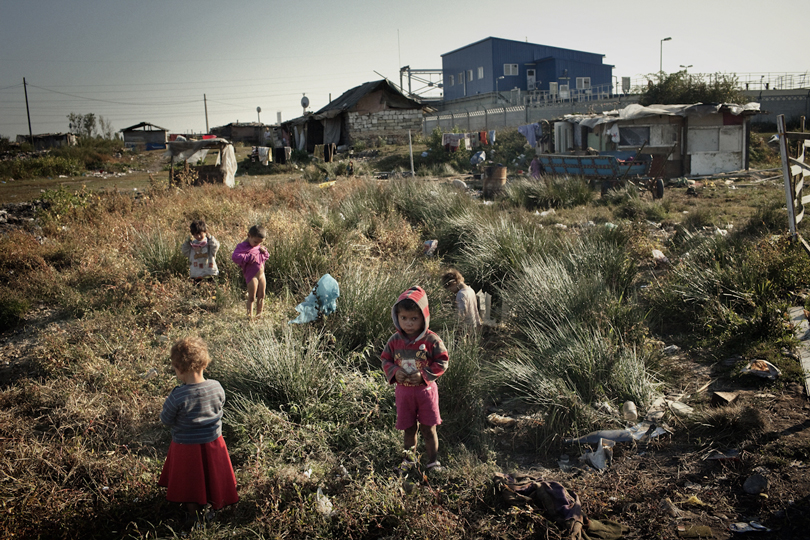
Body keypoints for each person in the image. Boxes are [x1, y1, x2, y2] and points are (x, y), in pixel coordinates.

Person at [159, 337, 238, 526]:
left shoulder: (178, 395)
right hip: (213, 443)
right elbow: (220, 405)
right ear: (205, 363)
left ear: (179, 369)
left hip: (186, 448)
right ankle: (211, 508)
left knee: (190, 482)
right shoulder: (216, 387)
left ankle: (193, 515)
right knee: (212, 476)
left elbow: (166, 419)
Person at [381, 286, 449, 473]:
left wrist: (424, 375)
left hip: (425, 393)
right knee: (409, 429)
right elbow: (386, 359)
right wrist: (394, 372)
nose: (408, 323)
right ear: (397, 317)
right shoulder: (394, 340)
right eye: (403, 318)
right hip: (404, 393)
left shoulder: (431, 340)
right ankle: (409, 461)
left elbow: (442, 361)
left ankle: (433, 462)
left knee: (428, 428)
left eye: (414, 319)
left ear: (424, 317)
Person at [231, 225, 270, 318]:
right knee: (252, 297)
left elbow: (266, 257)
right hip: (252, 276)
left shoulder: (258, 246)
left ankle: (259, 315)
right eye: (256, 242)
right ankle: (249, 316)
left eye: (260, 242)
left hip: (262, 275)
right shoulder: (242, 247)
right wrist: (247, 257)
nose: (257, 244)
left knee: (262, 295)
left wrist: (264, 252)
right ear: (249, 236)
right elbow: (235, 257)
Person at [181, 220, 220, 284]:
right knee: (196, 289)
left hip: (210, 272)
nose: (198, 236)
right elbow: (184, 251)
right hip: (196, 273)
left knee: (212, 288)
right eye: (196, 235)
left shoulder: (209, 243)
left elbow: (216, 246)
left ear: (205, 232)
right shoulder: (192, 245)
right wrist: (187, 241)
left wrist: (210, 238)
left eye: (200, 234)